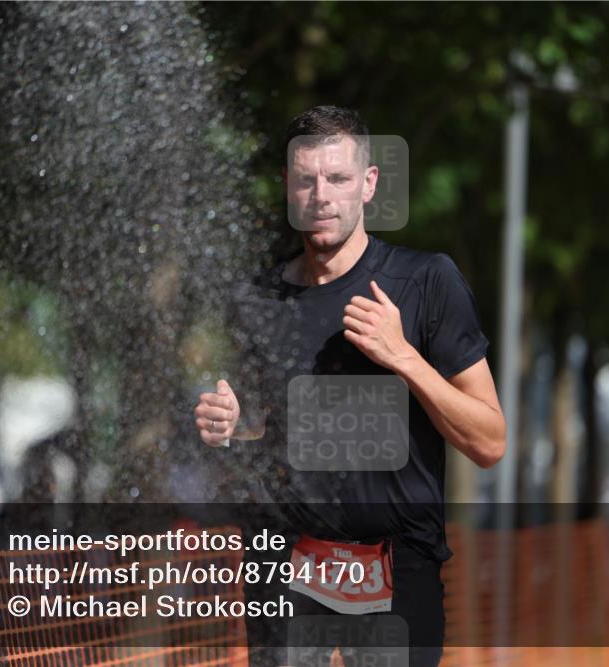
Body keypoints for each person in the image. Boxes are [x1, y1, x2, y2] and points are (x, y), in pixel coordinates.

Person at [193, 105, 506, 667]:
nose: (322, 196)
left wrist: (403, 357)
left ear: (368, 184)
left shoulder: (425, 282)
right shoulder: (253, 299)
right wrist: (231, 426)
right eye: (307, 180)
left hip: (395, 567)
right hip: (284, 566)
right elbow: (265, 432)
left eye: (338, 179)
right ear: (289, 187)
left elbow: (489, 441)